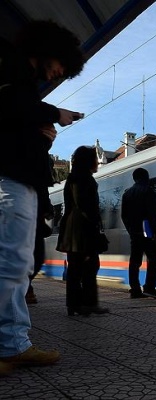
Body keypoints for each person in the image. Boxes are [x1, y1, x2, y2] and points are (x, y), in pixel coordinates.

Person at [0, 20, 85, 371]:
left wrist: (41, 134)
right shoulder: (11, 64)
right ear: (49, 48)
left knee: (15, 261)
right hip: (11, 179)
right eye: (62, 64)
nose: (59, 73)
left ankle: (11, 342)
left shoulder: (21, 80)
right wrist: (54, 115)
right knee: (13, 262)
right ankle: (11, 344)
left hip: (18, 177)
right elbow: (9, 106)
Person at [56, 146, 109, 316]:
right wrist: (95, 226)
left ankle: (74, 305)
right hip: (81, 229)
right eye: (94, 158)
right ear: (88, 161)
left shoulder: (72, 178)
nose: (96, 162)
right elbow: (86, 205)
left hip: (72, 228)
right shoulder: (84, 179)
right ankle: (88, 303)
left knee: (75, 268)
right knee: (90, 265)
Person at [121, 168, 156, 299]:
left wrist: (131, 231)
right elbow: (151, 214)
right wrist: (155, 233)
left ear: (134, 179)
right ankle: (149, 288)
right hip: (148, 231)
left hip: (134, 232)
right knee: (154, 259)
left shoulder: (126, 194)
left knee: (134, 261)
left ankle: (135, 289)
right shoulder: (148, 191)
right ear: (146, 177)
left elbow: (124, 216)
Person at [25, 186, 55, 305]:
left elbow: (44, 194)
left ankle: (26, 286)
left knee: (37, 259)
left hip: (36, 224)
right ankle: (25, 287)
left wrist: (47, 209)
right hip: (25, 220)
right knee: (34, 258)